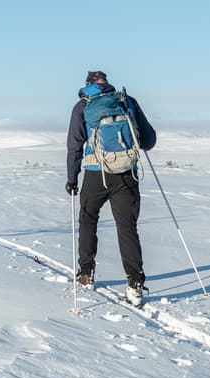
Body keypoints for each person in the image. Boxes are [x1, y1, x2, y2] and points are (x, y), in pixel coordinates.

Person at [66, 70, 157, 306]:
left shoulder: (83, 106)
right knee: (127, 227)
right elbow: (149, 140)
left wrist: (72, 178)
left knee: (88, 219)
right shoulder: (126, 100)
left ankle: (86, 273)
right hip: (127, 173)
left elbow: (74, 145)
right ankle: (135, 284)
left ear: (88, 85)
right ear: (107, 83)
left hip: (96, 173)